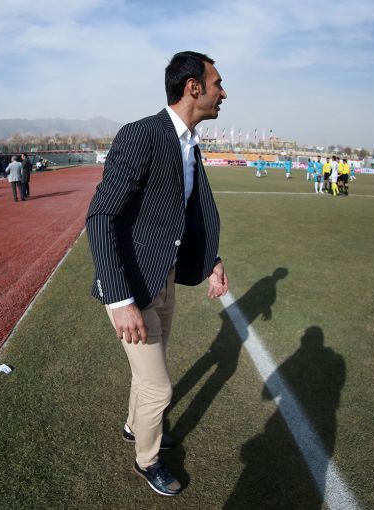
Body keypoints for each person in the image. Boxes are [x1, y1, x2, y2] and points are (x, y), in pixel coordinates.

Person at [86, 50, 228, 497]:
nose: (223, 93)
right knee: (159, 388)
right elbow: (101, 216)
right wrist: (120, 300)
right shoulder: (143, 134)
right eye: (217, 84)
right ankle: (147, 460)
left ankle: (135, 426)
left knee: (147, 376)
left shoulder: (189, 143)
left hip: (162, 279)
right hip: (130, 287)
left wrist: (212, 260)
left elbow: (187, 212)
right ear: (193, 87)